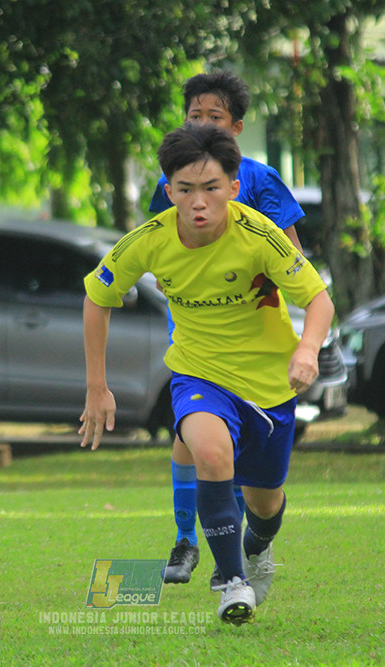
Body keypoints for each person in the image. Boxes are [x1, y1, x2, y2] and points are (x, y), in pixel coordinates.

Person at [80, 123, 335, 624]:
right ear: (168, 190)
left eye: (211, 188)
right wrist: (97, 385)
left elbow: (319, 299)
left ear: (234, 188)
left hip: (268, 385)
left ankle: (257, 549)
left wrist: (307, 350)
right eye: (186, 190)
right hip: (198, 375)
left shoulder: (260, 235)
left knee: (265, 505)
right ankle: (231, 580)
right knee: (211, 453)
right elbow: (97, 297)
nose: (199, 202)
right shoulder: (149, 240)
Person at [148, 71, 307, 587]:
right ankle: (188, 542)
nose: (201, 124)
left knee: (234, 456)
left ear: (235, 127)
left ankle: (247, 538)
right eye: (194, 115)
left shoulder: (258, 179)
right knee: (192, 438)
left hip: (253, 333)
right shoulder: (170, 178)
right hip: (195, 332)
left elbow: (292, 253)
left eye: (212, 117)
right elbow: (159, 243)